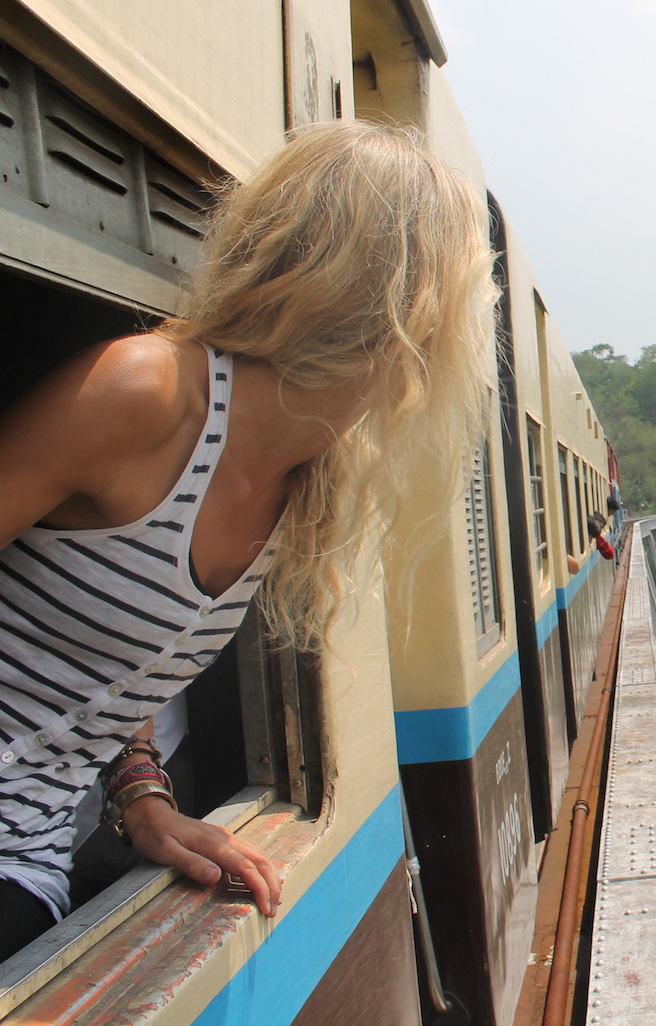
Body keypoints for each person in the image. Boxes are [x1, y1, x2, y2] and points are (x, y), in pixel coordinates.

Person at [0, 120, 495, 960]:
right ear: (414, 313)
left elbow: (111, 661)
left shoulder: (311, 484)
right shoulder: (150, 395)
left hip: (29, 864)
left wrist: (141, 795)